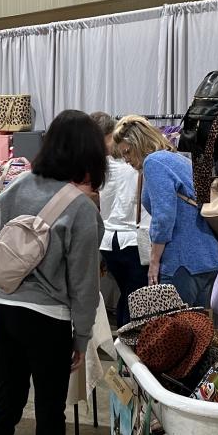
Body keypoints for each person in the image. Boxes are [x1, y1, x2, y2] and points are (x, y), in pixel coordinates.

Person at [0, 109, 105, 435]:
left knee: (7, 403)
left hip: (4, 307)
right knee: (50, 412)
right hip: (49, 319)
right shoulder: (81, 209)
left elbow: (0, 245)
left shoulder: (14, 188)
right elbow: (84, 285)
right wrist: (82, 338)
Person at [112, 115, 218, 308]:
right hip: (209, 257)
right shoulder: (177, 159)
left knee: (173, 325)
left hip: (182, 262)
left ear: (139, 143)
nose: (126, 159)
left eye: (128, 152)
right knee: (201, 325)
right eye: (123, 155)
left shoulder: (154, 162)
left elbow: (163, 217)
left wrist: (154, 261)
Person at [90, 112, 148, 327]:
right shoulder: (135, 162)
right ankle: (130, 342)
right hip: (132, 239)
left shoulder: (99, 165)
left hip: (108, 240)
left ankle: (124, 341)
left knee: (127, 294)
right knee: (137, 300)